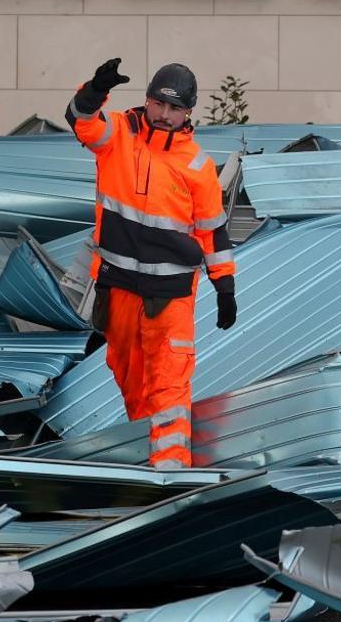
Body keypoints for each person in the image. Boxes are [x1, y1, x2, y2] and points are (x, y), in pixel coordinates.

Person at [66, 57, 235, 469]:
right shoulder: (119, 133)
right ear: (146, 101)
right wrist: (94, 90)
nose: (164, 115)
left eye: (174, 108)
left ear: (188, 114)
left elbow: (212, 232)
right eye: (159, 104)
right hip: (119, 285)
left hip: (171, 296)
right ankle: (149, 463)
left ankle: (171, 472)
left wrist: (225, 286)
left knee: (169, 384)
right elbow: (81, 122)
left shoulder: (198, 166)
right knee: (131, 380)